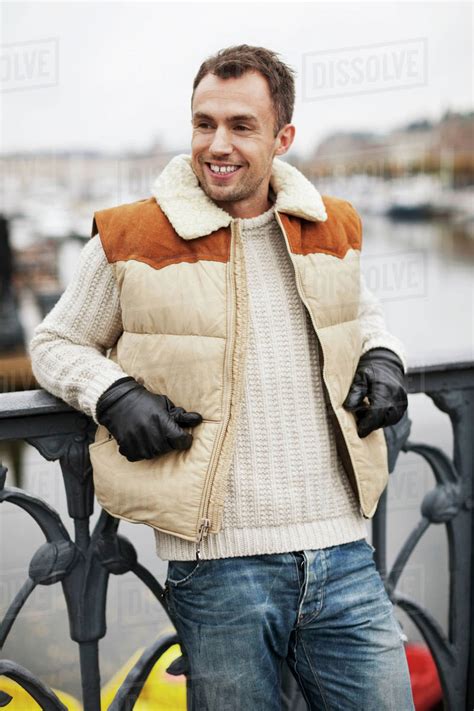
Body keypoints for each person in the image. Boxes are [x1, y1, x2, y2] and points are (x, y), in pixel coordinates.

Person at [30, 44, 414, 710]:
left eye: (241, 125)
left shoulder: (331, 225)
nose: (218, 143)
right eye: (204, 123)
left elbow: (363, 315)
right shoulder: (130, 234)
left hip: (345, 553)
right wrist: (112, 393)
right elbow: (55, 342)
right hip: (218, 565)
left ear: (282, 137)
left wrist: (384, 356)